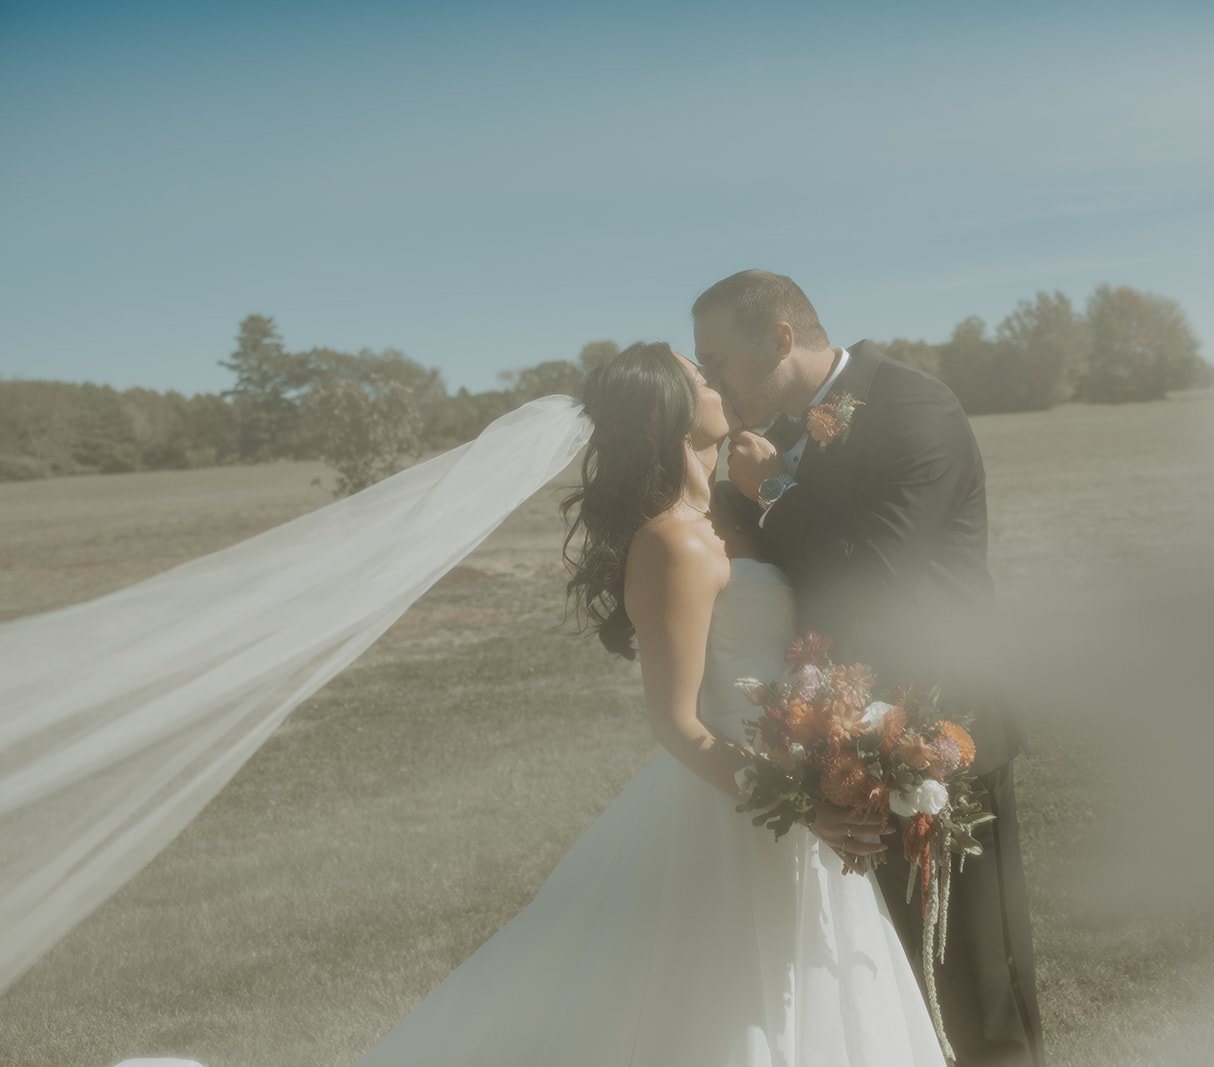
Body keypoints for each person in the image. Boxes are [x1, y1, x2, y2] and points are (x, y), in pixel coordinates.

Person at [348, 342, 948, 1066]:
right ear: (672, 411)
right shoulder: (672, 542)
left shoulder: (734, 510)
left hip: (795, 775)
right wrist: (800, 803)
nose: (718, 377)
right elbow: (676, 722)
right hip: (735, 803)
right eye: (700, 375)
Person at [694, 271, 1043, 1066]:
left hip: (941, 730)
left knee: (974, 986)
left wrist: (773, 489)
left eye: (719, 360)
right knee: (882, 986)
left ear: (780, 339)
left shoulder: (914, 406)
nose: (714, 379)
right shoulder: (776, 435)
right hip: (833, 739)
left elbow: (874, 576)